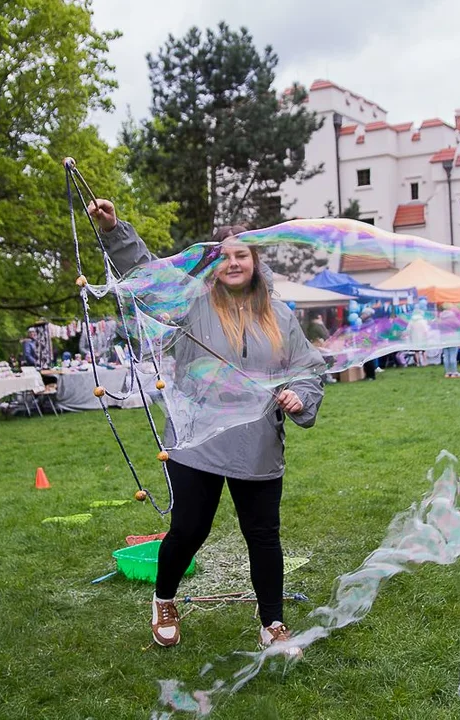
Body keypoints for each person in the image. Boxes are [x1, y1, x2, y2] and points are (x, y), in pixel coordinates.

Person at [88, 198, 324, 652]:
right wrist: (115, 229)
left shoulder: (281, 315)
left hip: (255, 444)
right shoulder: (192, 304)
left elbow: (307, 370)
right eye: (224, 255)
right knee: (190, 529)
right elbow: (147, 274)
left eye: (242, 254)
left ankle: (272, 623)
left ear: (256, 262)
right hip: (196, 438)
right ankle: (163, 599)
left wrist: (301, 396)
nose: (233, 262)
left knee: (263, 534)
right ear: (212, 264)